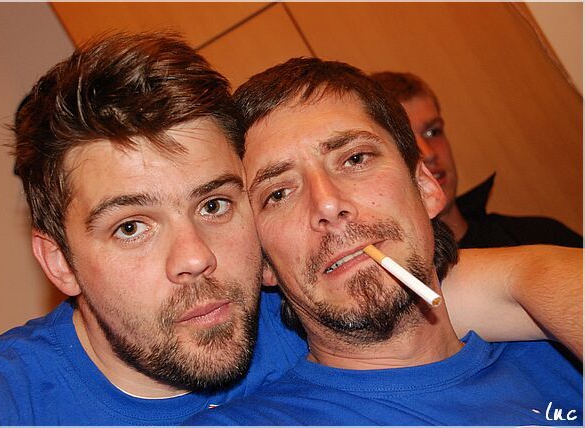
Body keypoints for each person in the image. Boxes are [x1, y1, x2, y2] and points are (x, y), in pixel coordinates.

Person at [0, 33, 581, 426]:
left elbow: (515, 279)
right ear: (59, 262)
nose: (195, 258)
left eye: (214, 206)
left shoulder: (287, 311)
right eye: (133, 226)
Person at [185, 58, 582, 425]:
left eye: (355, 159)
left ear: (426, 187)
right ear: (262, 263)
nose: (327, 204)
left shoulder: (561, 348)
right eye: (279, 193)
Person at [369, 71, 582, 249]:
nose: (429, 153)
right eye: (406, 142)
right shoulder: (392, 280)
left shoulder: (539, 238)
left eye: (433, 132)